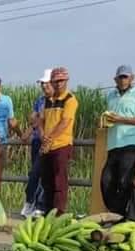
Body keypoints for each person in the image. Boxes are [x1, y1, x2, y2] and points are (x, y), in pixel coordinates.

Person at [99, 64, 135, 217]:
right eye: (120, 77)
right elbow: (110, 118)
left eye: (125, 77)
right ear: (115, 79)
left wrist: (121, 119)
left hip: (132, 144)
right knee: (106, 181)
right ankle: (118, 214)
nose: (122, 80)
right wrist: (104, 121)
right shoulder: (110, 95)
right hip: (113, 144)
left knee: (124, 181)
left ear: (132, 78)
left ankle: (119, 216)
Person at [39, 67, 77, 214]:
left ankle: (58, 212)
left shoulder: (70, 100)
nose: (58, 84)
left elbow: (65, 122)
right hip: (47, 145)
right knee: (46, 180)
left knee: (59, 180)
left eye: (61, 81)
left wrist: (48, 139)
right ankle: (48, 210)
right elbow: (41, 120)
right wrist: (42, 135)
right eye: (55, 81)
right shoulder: (48, 100)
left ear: (66, 81)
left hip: (61, 144)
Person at [20, 69, 53, 217]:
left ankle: (40, 204)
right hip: (37, 141)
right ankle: (30, 201)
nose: (44, 87)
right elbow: (34, 120)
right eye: (43, 84)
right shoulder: (40, 101)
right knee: (35, 173)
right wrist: (29, 130)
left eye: (47, 84)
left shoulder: (57, 101)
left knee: (43, 173)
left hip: (50, 141)